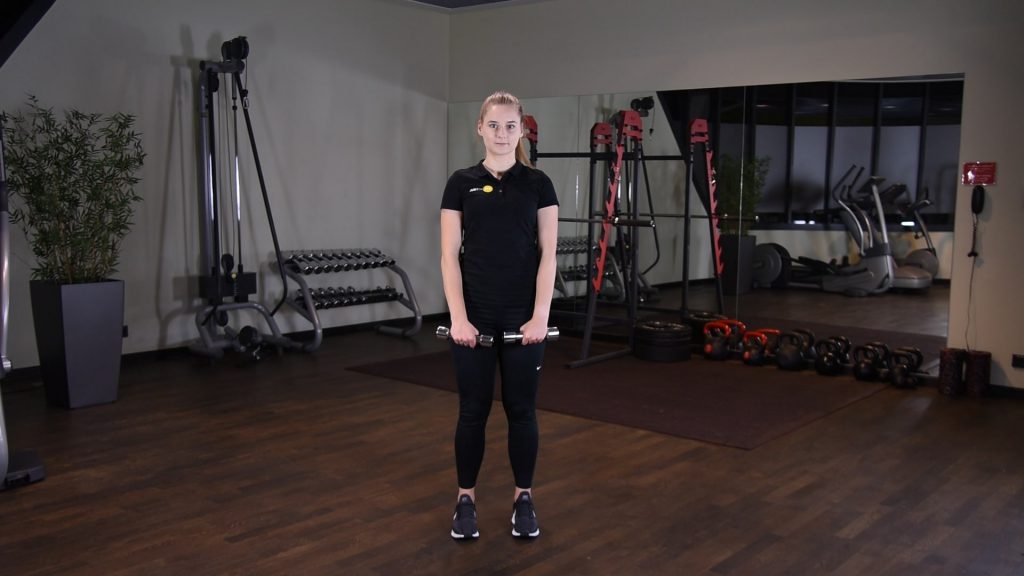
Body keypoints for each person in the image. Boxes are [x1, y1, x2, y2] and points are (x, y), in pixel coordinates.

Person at [440, 91, 559, 540]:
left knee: (521, 410)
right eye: (494, 125)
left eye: (511, 126)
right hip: (475, 314)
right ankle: (465, 500)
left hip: (522, 316)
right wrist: (459, 318)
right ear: (480, 128)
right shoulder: (460, 183)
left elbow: (548, 255)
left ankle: (523, 499)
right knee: (472, 411)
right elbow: (449, 256)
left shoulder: (539, 184)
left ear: (521, 131)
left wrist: (539, 316)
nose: (502, 134)